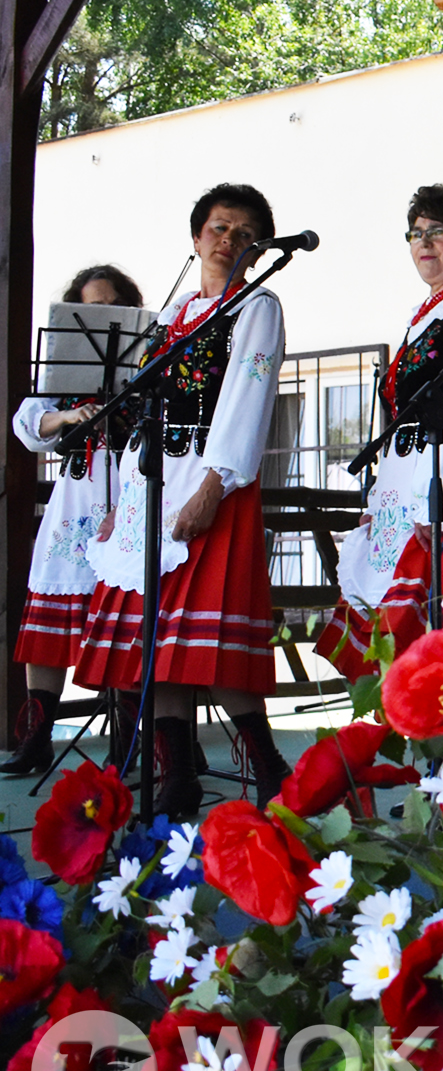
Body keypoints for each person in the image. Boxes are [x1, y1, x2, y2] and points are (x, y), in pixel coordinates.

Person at [78, 185, 290, 816]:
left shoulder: (256, 305)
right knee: (156, 642)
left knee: (205, 639)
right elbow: (142, 410)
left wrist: (213, 487)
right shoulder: (171, 315)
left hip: (208, 481)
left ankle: (270, 767)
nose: (229, 240)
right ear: (196, 238)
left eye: (244, 234)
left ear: (259, 250)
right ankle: (177, 774)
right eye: (219, 228)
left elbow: (248, 399)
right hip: (152, 481)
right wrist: (122, 497)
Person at [318, 186, 443, 675]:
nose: (424, 243)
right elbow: (401, 420)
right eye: (415, 233)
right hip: (412, 483)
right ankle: (405, 722)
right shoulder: (429, 312)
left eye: (438, 232)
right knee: (398, 633)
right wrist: (380, 503)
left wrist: (439, 502)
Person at [4, 265, 146, 775]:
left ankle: (129, 739)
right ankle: (36, 739)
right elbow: (27, 425)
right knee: (47, 625)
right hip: (73, 507)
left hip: (128, 502)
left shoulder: (143, 367)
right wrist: (66, 416)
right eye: (91, 309)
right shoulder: (62, 375)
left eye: (111, 307)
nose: (102, 317)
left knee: (123, 621)